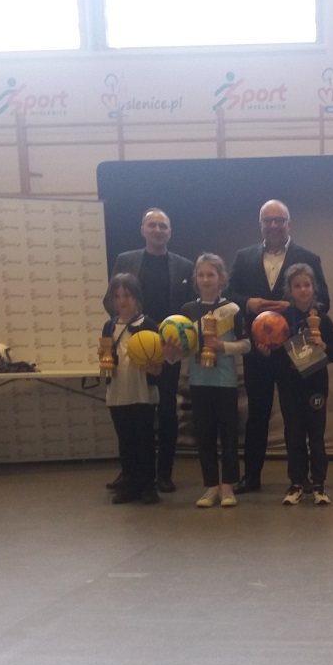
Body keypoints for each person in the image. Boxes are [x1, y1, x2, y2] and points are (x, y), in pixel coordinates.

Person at [227, 200, 329, 494]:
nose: (273, 225)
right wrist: (248, 303)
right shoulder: (243, 257)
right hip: (257, 349)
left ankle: (301, 479)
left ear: (289, 223)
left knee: (297, 418)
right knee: (257, 415)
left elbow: (324, 301)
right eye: (267, 220)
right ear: (260, 224)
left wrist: (293, 306)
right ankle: (252, 477)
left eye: (279, 220)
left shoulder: (308, 257)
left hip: (296, 352)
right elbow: (229, 295)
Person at [104, 208, 194, 494]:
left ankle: (163, 473)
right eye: (152, 225)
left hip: (167, 350)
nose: (157, 230)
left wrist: (179, 341)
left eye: (163, 226)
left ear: (170, 232)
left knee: (166, 411)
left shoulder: (185, 266)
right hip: (132, 349)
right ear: (142, 230)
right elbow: (110, 299)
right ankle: (131, 473)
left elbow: (189, 309)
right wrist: (125, 330)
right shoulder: (125, 260)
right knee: (131, 413)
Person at [164, 254, 250, 509]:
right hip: (199, 381)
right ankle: (211, 486)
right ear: (195, 279)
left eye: (210, 274)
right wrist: (170, 353)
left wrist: (222, 346)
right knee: (205, 437)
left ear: (221, 278)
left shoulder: (232, 309)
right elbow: (182, 353)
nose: (205, 279)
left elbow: (247, 344)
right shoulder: (187, 311)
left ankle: (228, 487)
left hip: (225, 382)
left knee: (229, 437)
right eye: (200, 275)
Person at [265, 263, 333, 506]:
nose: (302, 290)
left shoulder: (322, 320)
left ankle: (319, 484)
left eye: (306, 285)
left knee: (316, 436)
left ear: (313, 287)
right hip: (290, 387)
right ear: (289, 289)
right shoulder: (280, 321)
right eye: (297, 286)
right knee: (294, 435)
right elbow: (275, 355)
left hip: (316, 386)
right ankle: (297, 483)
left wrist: (323, 345)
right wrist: (267, 349)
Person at [99, 273, 162, 505]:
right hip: (117, 392)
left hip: (141, 391)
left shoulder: (148, 324)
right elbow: (107, 358)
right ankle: (130, 484)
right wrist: (103, 359)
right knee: (125, 441)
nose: (122, 301)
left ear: (137, 297)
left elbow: (159, 363)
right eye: (117, 296)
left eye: (127, 295)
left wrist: (153, 366)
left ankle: (148, 486)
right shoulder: (109, 326)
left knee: (144, 440)